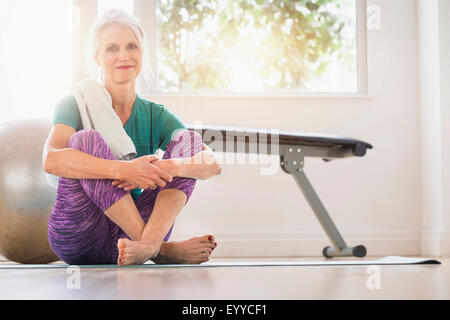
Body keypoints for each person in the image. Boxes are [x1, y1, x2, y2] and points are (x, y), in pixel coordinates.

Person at [43, 9, 221, 266]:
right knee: (86, 141)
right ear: (97, 56)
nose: (123, 55)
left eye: (132, 46)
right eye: (112, 48)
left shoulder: (154, 115)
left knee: (189, 143)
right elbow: (50, 160)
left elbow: (211, 163)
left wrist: (168, 166)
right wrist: (125, 170)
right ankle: (161, 251)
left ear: (142, 53)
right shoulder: (74, 103)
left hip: (128, 239)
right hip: (77, 234)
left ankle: (148, 245)